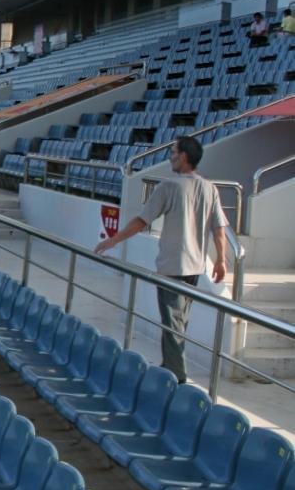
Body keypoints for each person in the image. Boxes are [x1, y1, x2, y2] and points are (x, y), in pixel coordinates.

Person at [93, 135, 235, 385]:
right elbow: (218, 228)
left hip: (172, 265)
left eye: (173, 152)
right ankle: (169, 365)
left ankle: (177, 377)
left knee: (172, 323)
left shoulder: (170, 187)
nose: (170, 156)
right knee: (178, 321)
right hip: (195, 266)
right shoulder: (209, 188)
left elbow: (142, 220)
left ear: (183, 157)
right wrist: (221, 259)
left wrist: (113, 240)